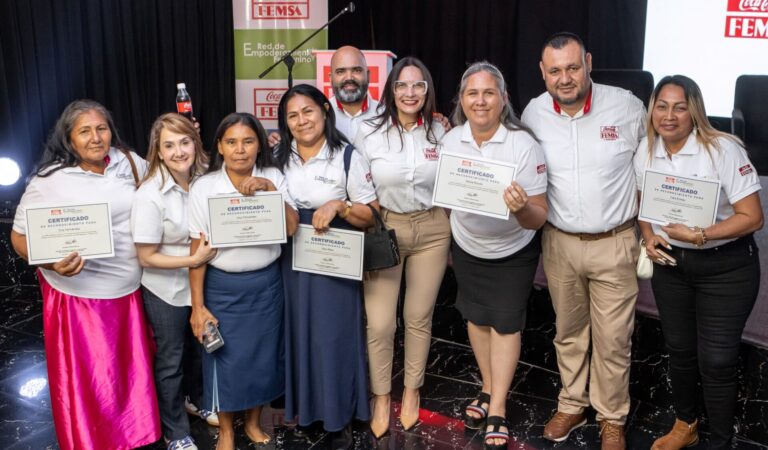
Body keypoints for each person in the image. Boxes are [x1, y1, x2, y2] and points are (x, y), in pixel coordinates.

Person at [10, 99, 160, 450]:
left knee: (128, 376)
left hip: (129, 290)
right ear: (69, 138)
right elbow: (19, 237)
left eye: (102, 128)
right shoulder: (49, 181)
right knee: (92, 381)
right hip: (79, 297)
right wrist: (48, 262)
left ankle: (136, 435)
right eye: (85, 131)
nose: (96, 138)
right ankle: (90, 440)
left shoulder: (129, 162)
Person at [521, 32, 646, 450]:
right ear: (543, 73)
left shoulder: (626, 106)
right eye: (555, 70)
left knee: (613, 338)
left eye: (573, 67)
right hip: (559, 243)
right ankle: (572, 403)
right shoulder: (534, 113)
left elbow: (650, 169)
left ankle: (612, 416)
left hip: (614, 241)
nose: (565, 78)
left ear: (588, 62)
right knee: (569, 331)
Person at [635, 75, 763, 450]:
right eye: (662, 106)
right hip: (672, 267)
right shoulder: (645, 149)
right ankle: (685, 424)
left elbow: (753, 217)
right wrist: (648, 234)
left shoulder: (723, 150)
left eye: (679, 107)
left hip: (727, 269)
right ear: (652, 110)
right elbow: (646, 203)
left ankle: (720, 440)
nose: (669, 116)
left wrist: (703, 235)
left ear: (695, 111)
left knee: (718, 360)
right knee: (679, 351)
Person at [445, 62, 548, 450]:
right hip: (468, 246)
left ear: (503, 99)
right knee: (476, 317)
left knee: (505, 324)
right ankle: (487, 387)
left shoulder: (524, 145)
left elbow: (537, 217)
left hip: (512, 250)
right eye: (472, 93)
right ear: (462, 100)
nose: (480, 100)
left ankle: (498, 407)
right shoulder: (452, 140)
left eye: (489, 93)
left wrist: (520, 207)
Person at [274, 84, 377, 450]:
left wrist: (340, 205)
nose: (302, 121)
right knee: (300, 333)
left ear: (324, 110)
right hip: (293, 259)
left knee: (334, 335)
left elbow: (372, 215)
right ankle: (306, 411)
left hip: (335, 256)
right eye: (292, 115)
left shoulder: (346, 156)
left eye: (308, 111)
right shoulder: (277, 158)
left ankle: (339, 416)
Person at [187, 112, 298, 450]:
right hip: (222, 287)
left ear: (259, 145)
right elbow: (196, 250)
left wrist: (269, 192)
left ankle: (251, 423)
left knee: (263, 359)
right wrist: (198, 305)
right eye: (231, 142)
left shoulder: (273, 175)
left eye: (248, 141)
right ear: (219, 146)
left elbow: (292, 227)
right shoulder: (204, 187)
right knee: (223, 360)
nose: (240, 150)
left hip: (265, 285)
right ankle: (226, 431)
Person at [353, 56, 450, 438]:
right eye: (402, 85)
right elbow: (358, 183)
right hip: (384, 228)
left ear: (427, 91)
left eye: (418, 85)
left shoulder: (442, 132)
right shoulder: (368, 132)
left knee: (418, 317)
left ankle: (411, 391)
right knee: (379, 323)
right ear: (390, 91)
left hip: (432, 229)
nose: (410, 93)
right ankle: (381, 397)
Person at [131, 113, 218, 450]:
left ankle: (195, 400)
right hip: (164, 288)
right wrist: (191, 260)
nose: (179, 151)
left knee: (199, 350)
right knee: (171, 360)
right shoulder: (150, 194)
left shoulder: (204, 179)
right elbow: (146, 256)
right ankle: (175, 431)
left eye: (184, 142)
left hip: (200, 282)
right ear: (159, 151)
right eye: (169, 145)